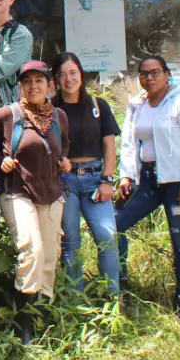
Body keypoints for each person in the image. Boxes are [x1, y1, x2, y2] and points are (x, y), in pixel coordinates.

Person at [114, 56, 180, 317]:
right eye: (143, 74)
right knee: (115, 225)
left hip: (177, 183)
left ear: (167, 74)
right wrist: (126, 176)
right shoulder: (137, 105)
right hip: (149, 180)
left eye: (155, 73)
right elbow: (131, 144)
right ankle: (120, 288)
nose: (149, 78)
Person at [0, 62, 68, 335]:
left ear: (49, 86)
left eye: (39, 81)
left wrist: (64, 160)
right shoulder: (9, 114)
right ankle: (23, 326)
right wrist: (0, 160)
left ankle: (41, 318)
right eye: (28, 81)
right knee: (31, 250)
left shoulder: (58, 117)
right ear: (20, 86)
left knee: (49, 257)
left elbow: (64, 143)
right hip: (17, 191)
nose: (33, 86)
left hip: (51, 194)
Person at [51, 51, 121, 296]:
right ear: (56, 79)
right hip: (65, 183)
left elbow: (109, 145)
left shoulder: (97, 106)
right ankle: (75, 300)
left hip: (95, 180)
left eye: (73, 73)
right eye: (62, 75)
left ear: (80, 74)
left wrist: (107, 179)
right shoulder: (51, 109)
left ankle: (112, 298)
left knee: (108, 240)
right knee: (70, 244)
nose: (69, 79)